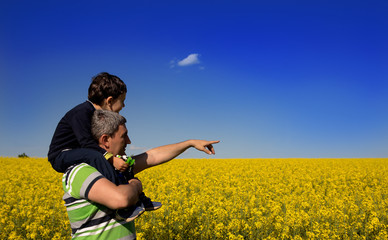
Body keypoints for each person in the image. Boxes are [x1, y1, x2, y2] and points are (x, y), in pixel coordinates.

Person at [62, 109, 219, 239]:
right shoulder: (80, 170)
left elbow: (153, 156)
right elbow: (121, 199)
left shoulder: (117, 167)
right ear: (105, 140)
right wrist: (136, 184)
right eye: (124, 136)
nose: (129, 141)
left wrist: (189, 143)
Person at [48, 72, 159, 219]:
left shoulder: (93, 114)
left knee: (121, 158)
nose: (124, 105)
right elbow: (87, 143)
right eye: (122, 101)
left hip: (82, 152)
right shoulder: (82, 112)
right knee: (98, 155)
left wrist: (117, 159)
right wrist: (112, 159)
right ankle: (123, 204)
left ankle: (141, 199)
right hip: (62, 155)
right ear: (110, 101)